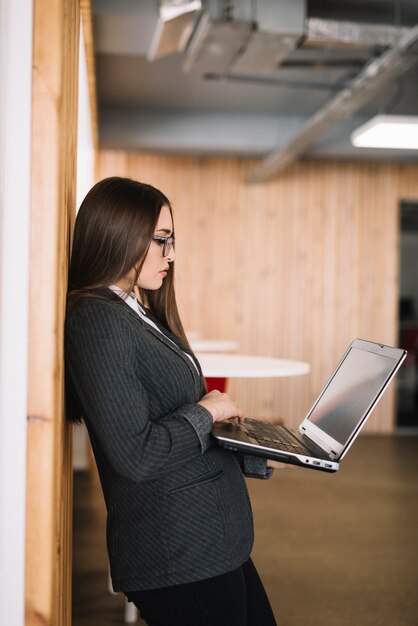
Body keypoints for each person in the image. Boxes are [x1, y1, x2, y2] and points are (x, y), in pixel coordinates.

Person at [65, 176, 281, 626]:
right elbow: (138, 454)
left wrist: (259, 451)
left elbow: (172, 423)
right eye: (161, 240)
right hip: (177, 552)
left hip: (211, 542)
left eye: (173, 240)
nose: (172, 254)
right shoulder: (96, 318)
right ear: (117, 233)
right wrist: (206, 411)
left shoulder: (134, 308)